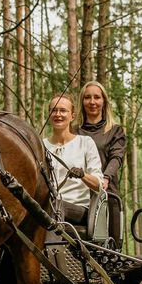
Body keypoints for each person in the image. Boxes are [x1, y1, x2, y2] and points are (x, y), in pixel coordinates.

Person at [76, 81, 126, 243]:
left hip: (107, 193)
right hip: (78, 196)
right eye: (87, 97)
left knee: (111, 245)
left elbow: (117, 157)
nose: (92, 102)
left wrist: (105, 177)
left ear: (104, 101)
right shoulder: (73, 131)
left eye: (97, 97)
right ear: (82, 102)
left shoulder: (115, 130)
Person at [43, 93, 103, 227]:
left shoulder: (85, 143)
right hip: (46, 206)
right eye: (54, 110)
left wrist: (83, 175)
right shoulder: (41, 145)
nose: (58, 114)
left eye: (63, 110)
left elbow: (99, 185)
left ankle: (53, 248)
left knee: (53, 207)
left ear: (72, 116)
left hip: (78, 209)